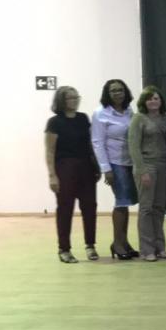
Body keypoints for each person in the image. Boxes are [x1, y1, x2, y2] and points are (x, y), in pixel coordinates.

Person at [44, 86, 100, 263]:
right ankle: (64, 249)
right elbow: (50, 151)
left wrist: (97, 166)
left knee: (90, 207)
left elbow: (90, 145)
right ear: (62, 101)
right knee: (65, 209)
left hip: (86, 167)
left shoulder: (83, 118)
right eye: (71, 98)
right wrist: (52, 175)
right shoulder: (54, 122)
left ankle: (90, 245)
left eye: (77, 97)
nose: (75, 100)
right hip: (65, 168)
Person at [91, 79, 138, 260]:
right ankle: (117, 244)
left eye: (120, 90)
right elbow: (97, 143)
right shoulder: (100, 113)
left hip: (130, 162)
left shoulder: (129, 111)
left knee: (126, 204)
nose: (118, 93)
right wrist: (106, 169)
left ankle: (123, 242)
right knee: (121, 202)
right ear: (107, 94)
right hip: (115, 163)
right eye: (113, 91)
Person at [128, 86, 166, 261]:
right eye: (150, 99)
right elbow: (133, 146)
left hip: (163, 165)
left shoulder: (165, 118)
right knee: (146, 208)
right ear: (144, 102)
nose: (153, 101)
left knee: (159, 207)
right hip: (146, 165)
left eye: (156, 98)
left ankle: (160, 247)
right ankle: (147, 250)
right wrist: (141, 170)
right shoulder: (138, 118)